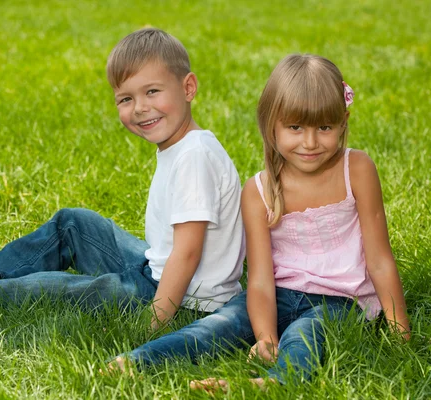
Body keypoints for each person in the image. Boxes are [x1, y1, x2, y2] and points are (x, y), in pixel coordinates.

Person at [0, 28, 245, 331]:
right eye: (125, 99)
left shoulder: (194, 156)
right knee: (72, 223)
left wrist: (156, 320)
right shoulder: (183, 145)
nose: (140, 108)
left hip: (185, 299)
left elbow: (189, 252)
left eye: (152, 91)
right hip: (158, 271)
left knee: (48, 290)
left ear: (188, 87)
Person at [107, 54, 410, 389]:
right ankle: (137, 361)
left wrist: (399, 329)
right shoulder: (258, 191)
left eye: (324, 128)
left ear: (343, 122)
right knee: (220, 324)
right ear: (272, 126)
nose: (310, 142)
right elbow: (262, 280)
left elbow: (380, 259)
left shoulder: (358, 169)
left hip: (341, 300)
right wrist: (265, 337)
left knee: (305, 335)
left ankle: (273, 383)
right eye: (295, 128)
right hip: (277, 294)